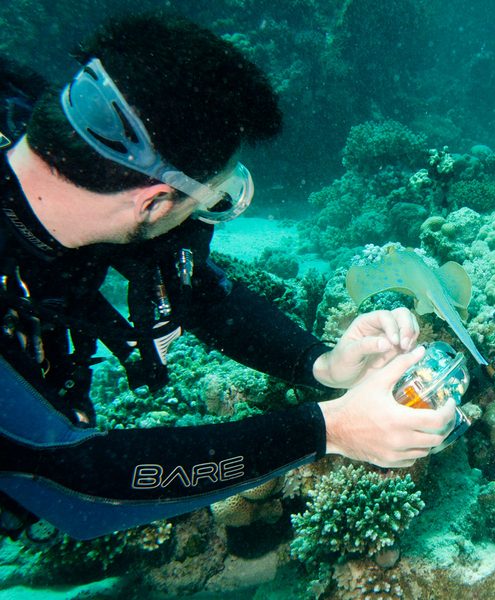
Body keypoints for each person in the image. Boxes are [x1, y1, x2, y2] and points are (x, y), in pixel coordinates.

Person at [0, 14, 455, 541]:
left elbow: (197, 293)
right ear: (153, 201)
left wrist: (323, 364)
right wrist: (329, 430)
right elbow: (70, 481)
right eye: (210, 203)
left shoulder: (51, 140)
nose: (202, 224)